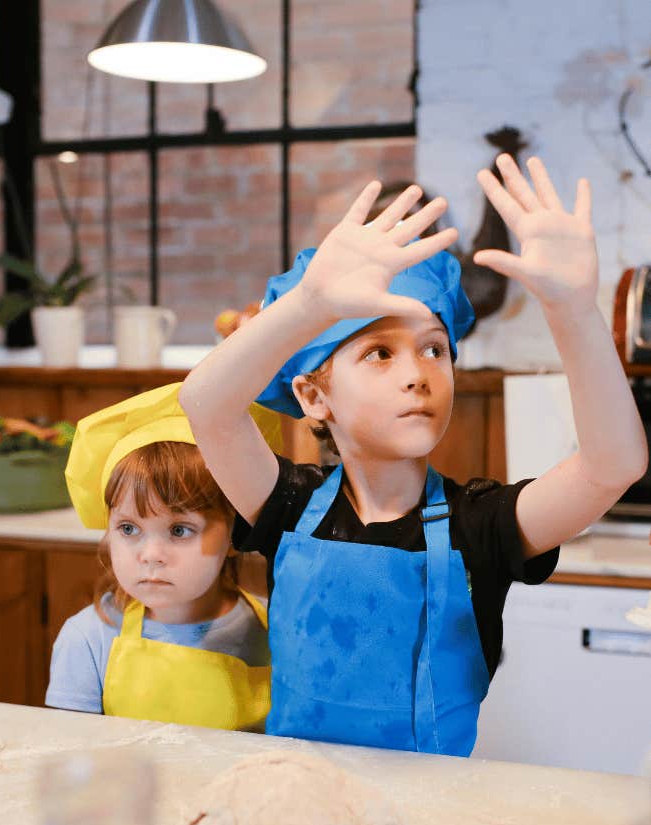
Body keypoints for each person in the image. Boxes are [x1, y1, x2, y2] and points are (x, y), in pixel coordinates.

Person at [178, 155, 647, 756]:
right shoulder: (287, 504)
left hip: (432, 815)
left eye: (434, 350)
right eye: (379, 353)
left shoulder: (482, 524)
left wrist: (576, 313)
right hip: (298, 797)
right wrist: (309, 307)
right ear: (313, 394)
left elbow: (613, 465)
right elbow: (207, 405)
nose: (417, 376)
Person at [45, 382, 282, 732]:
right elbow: (72, 760)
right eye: (128, 529)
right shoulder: (88, 640)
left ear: (237, 532)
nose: (151, 556)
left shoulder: (278, 632)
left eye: (179, 530)